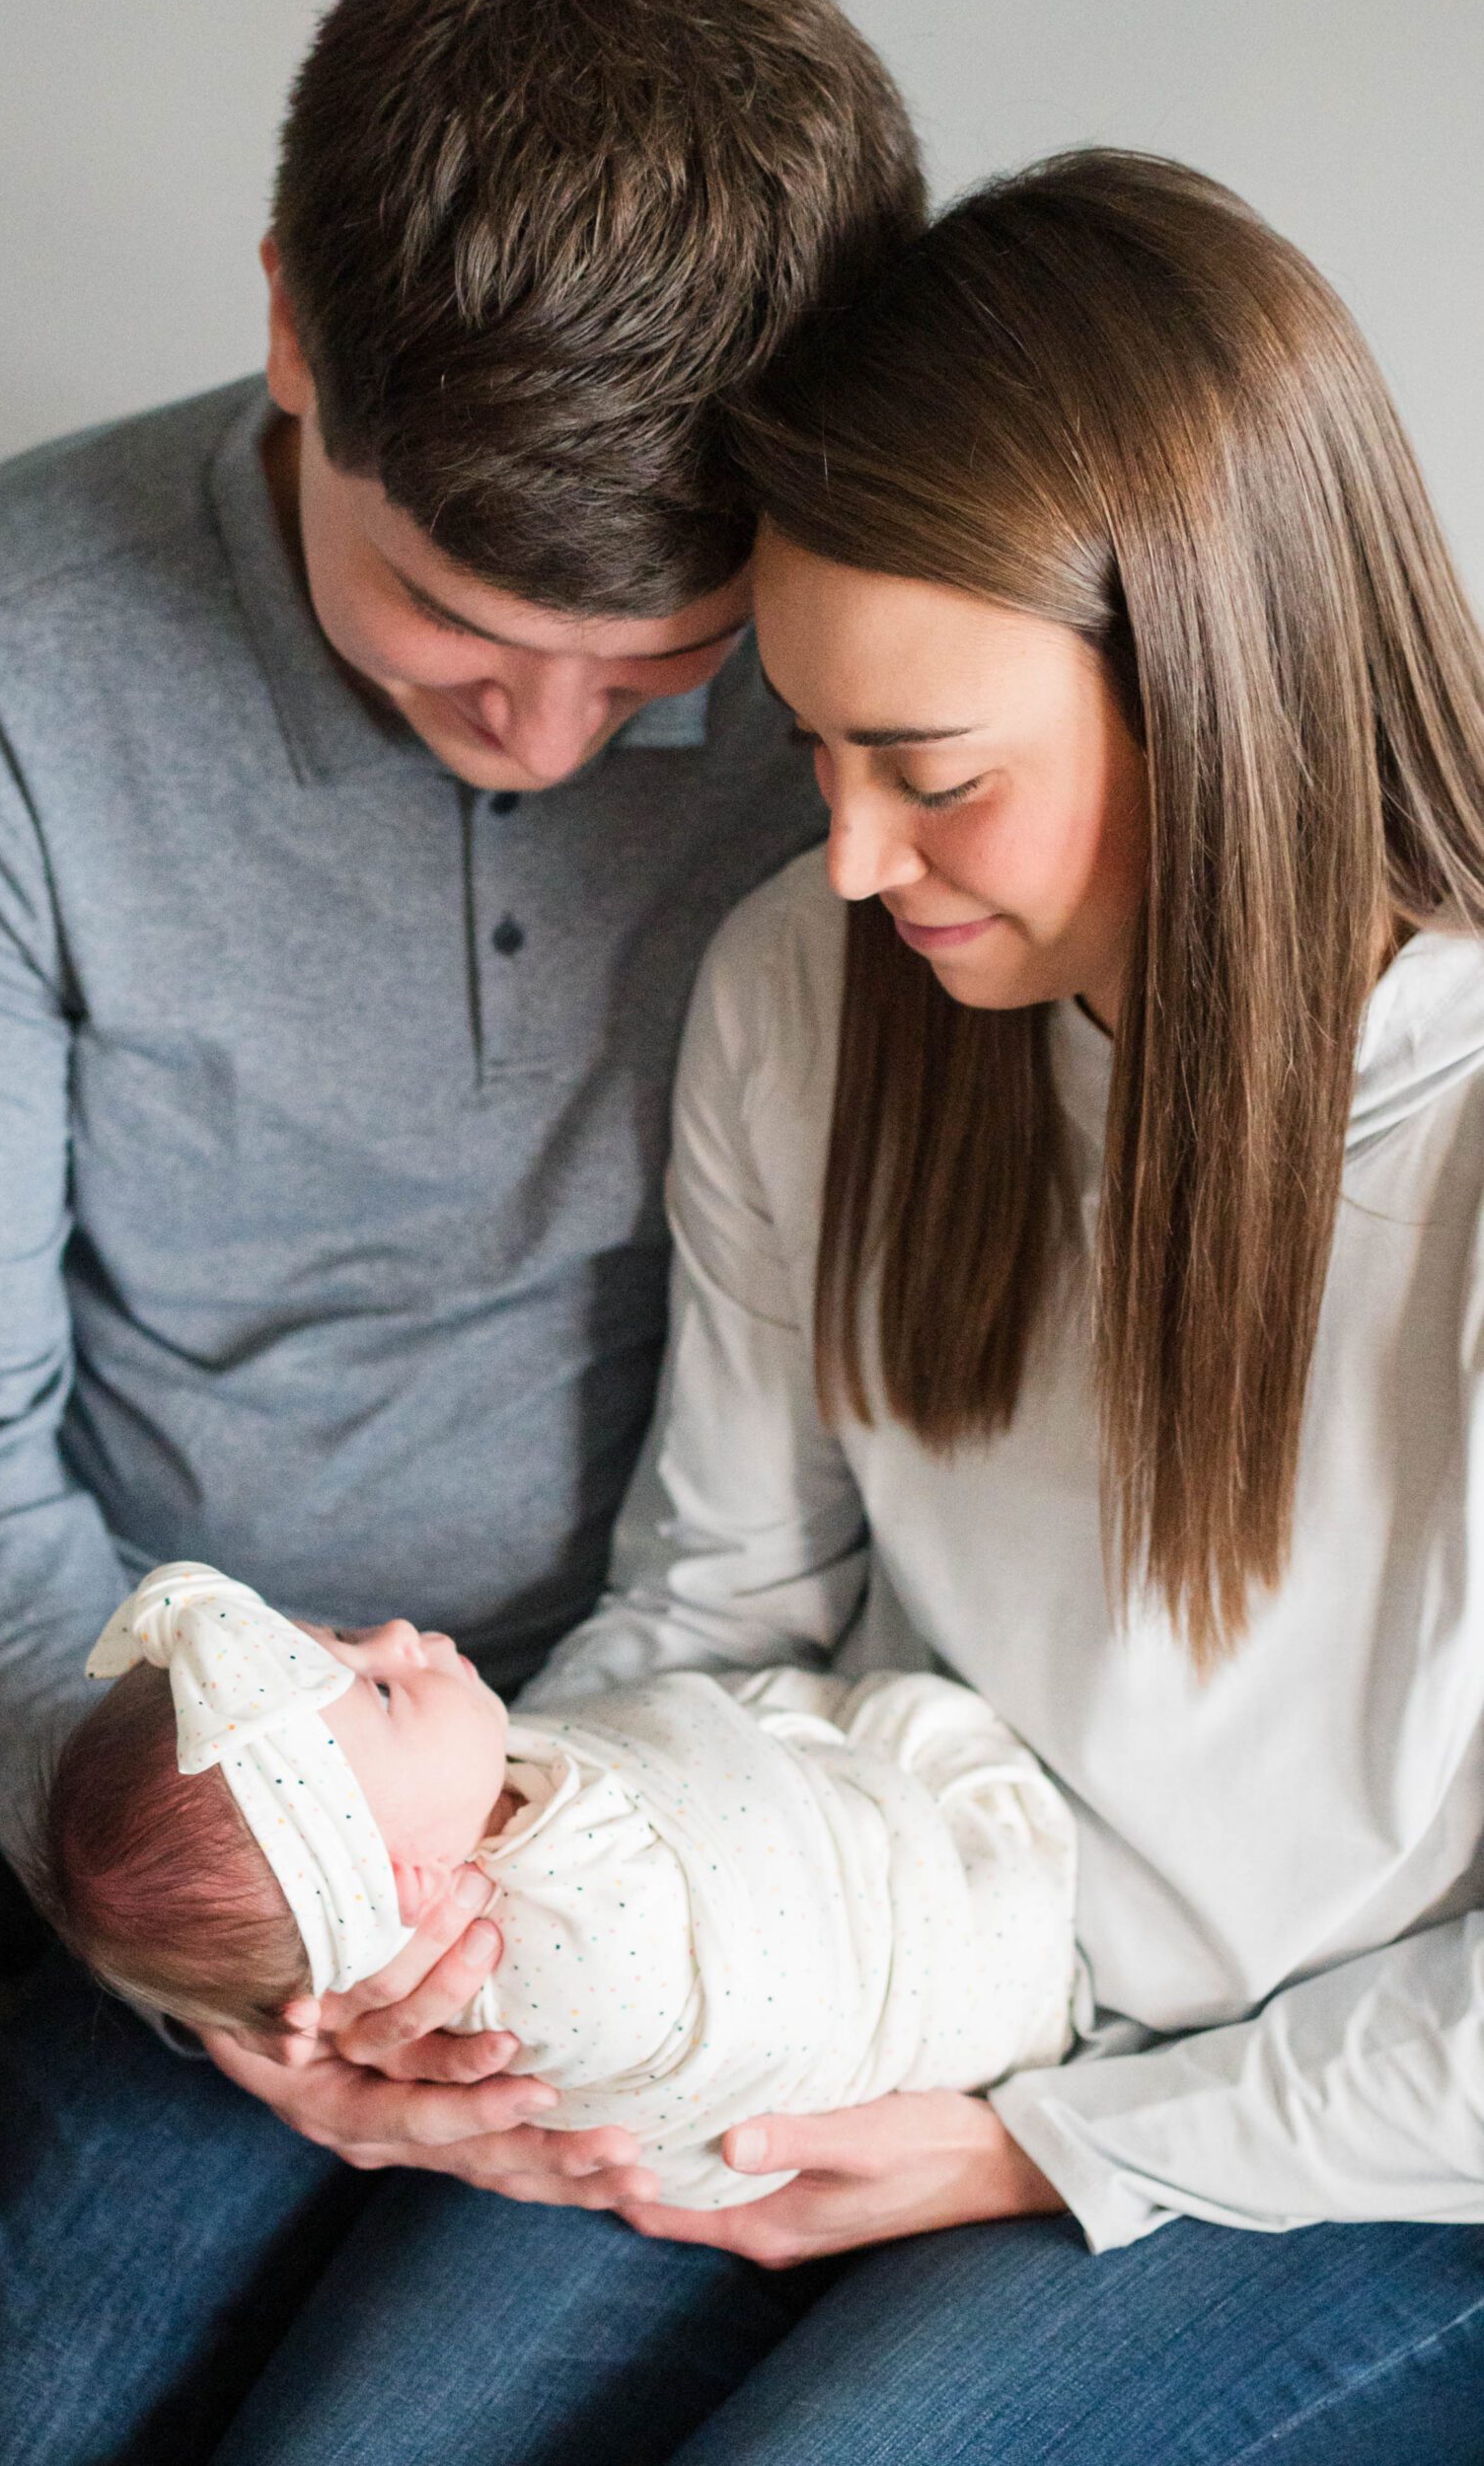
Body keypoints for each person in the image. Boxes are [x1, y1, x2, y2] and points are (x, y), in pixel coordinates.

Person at [194, 152, 1484, 2465]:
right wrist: (480, 1898)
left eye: (934, 769)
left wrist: (1047, 2146)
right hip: (873, 1952)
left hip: (1341, 2134)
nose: (856, 850)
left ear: (1218, 685)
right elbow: (722, 1588)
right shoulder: (811, 983)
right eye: (809, 742)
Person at [0, 0, 924, 2453]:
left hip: (600, 1709)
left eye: (653, 663)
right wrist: (246, 1947)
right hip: (105, 1629)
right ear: (294, 326)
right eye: (446, 621)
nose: (542, 737)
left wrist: (453, 1899)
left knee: (2, 2382)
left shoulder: (876, 719)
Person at [37, 1563, 1076, 2204]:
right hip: (945, 1978)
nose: (399, 1634)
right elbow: (770, 1968)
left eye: (350, 1639)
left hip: (829, 1846)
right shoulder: (575, 1951)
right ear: (400, 1882)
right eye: (386, 1687)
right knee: (931, 1748)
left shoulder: (451, 1838)